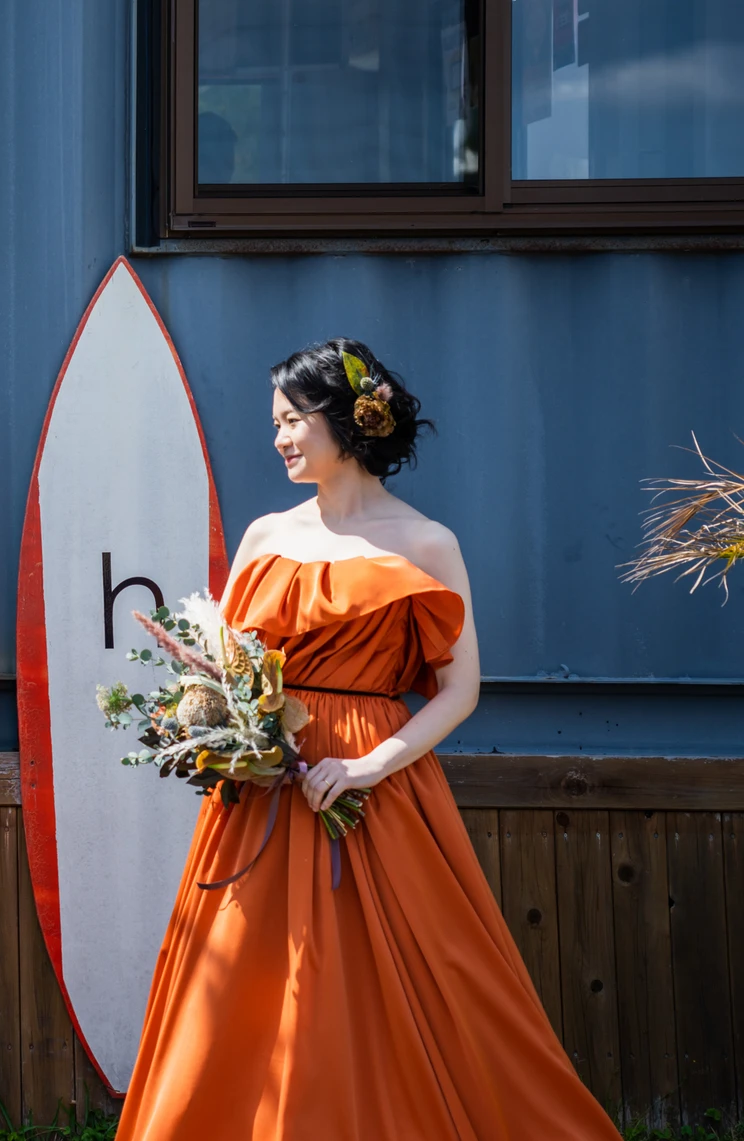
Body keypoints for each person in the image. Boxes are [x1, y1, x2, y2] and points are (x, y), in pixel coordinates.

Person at [115, 339, 617, 1140]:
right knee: (244, 981)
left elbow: (460, 689)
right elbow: (224, 666)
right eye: (274, 423)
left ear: (349, 419)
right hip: (265, 792)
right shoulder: (264, 536)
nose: (279, 438)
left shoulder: (426, 542)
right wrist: (225, 731)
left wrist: (366, 766)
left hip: (375, 789)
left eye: (292, 420)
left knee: (424, 974)